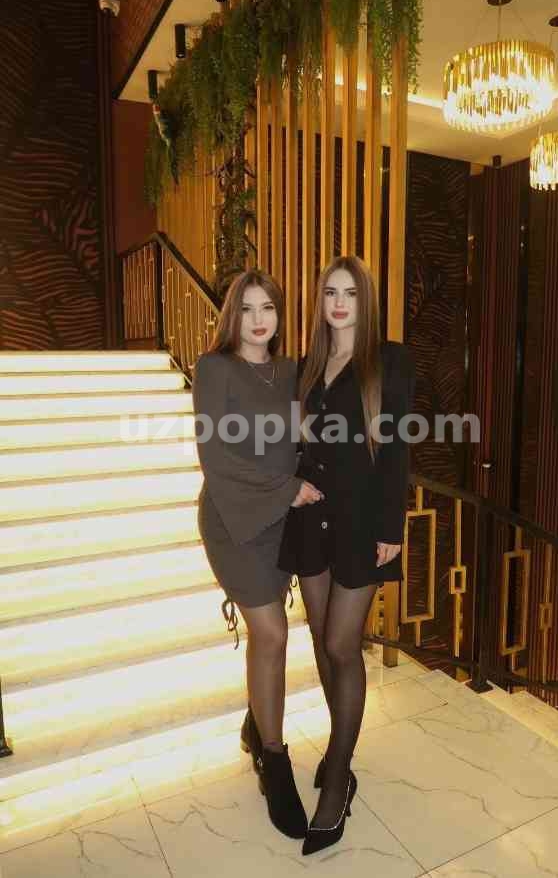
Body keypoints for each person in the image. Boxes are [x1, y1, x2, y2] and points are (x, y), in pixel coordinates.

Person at [279, 255, 416, 855]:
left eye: (350, 293)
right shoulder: (306, 365)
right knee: (318, 638)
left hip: (362, 523)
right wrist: (288, 482)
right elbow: (289, 441)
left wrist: (392, 524)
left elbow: (397, 450)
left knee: (341, 645)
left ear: (365, 301)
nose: (338, 303)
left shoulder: (389, 360)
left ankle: (337, 778)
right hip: (310, 517)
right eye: (330, 293)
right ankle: (341, 751)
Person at [192, 269, 322, 840]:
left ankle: (256, 719)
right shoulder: (213, 368)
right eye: (246, 309)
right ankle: (274, 758)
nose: (258, 319)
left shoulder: (291, 371)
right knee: (272, 633)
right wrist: (285, 489)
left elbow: (308, 436)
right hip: (233, 517)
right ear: (232, 315)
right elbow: (216, 456)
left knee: (273, 635)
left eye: (267, 307)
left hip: (281, 521)